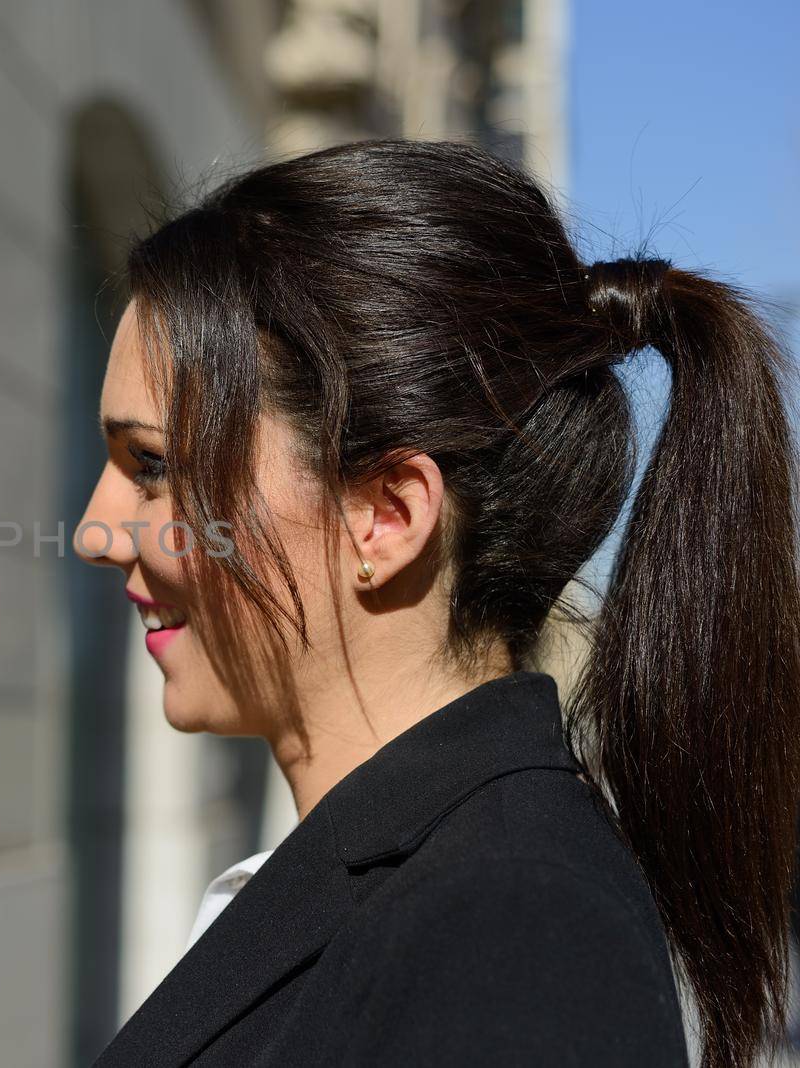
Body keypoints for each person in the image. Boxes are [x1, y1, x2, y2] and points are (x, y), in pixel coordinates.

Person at [78, 139, 800, 1068]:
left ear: (384, 515)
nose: (96, 531)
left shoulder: (517, 934)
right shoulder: (443, 879)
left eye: (155, 465)